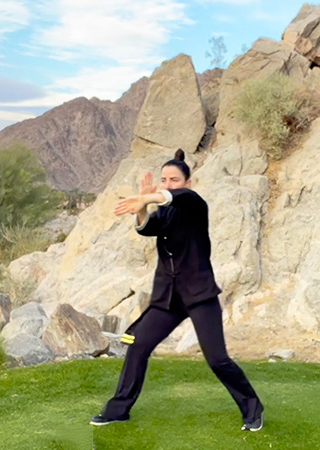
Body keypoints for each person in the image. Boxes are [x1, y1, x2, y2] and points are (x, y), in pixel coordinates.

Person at [90, 149, 264, 431]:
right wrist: (144, 207)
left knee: (217, 359)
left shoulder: (194, 203)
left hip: (199, 295)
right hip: (167, 299)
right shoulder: (165, 212)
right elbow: (146, 228)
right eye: (164, 179)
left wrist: (147, 197)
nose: (168, 184)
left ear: (188, 183)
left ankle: (253, 408)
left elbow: (175, 197)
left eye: (174, 179)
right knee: (138, 346)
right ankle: (118, 409)